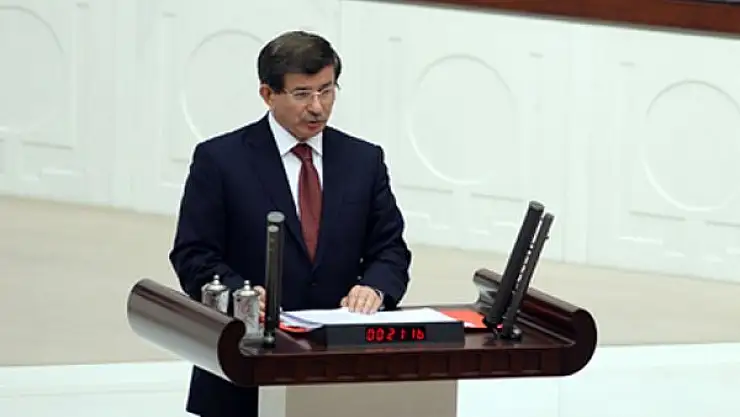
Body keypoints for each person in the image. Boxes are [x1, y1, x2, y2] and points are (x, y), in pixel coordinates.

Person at [168, 30, 412, 417]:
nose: (318, 107)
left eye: (327, 91)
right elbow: (193, 254)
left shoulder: (363, 160)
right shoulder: (220, 160)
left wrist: (375, 288)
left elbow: (390, 249)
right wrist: (241, 295)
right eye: (302, 94)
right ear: (268, 94)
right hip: (245, 367)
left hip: (340, 368)